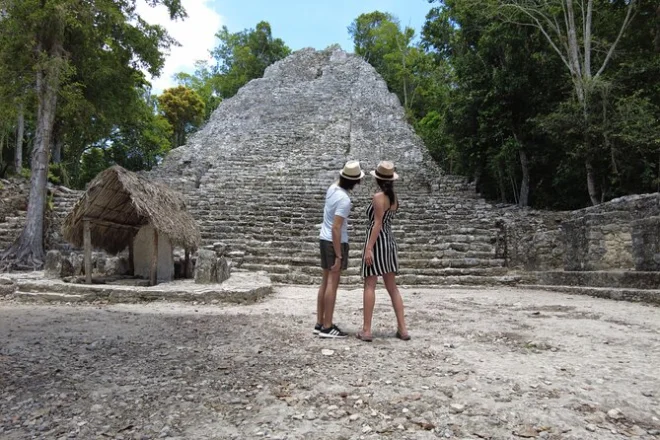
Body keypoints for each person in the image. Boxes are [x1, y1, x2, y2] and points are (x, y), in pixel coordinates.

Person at [357, 161, 410, 342]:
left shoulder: (378, 197)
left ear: (378, 179)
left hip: (377, 242)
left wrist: (368, 248)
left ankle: (366, 330)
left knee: (370, 285)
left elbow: (377, 223)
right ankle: (403, 329)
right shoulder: (394, 198)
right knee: (392, 287)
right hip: (390, 242)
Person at [315, 160, 364, 338]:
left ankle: (320, 322)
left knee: (325, 282)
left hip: (324, 238)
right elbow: (336, 227)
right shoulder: (344, 199)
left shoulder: (332, 188)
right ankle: (328, 327)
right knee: (332, 284)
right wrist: (338, 255)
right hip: (334, 242)